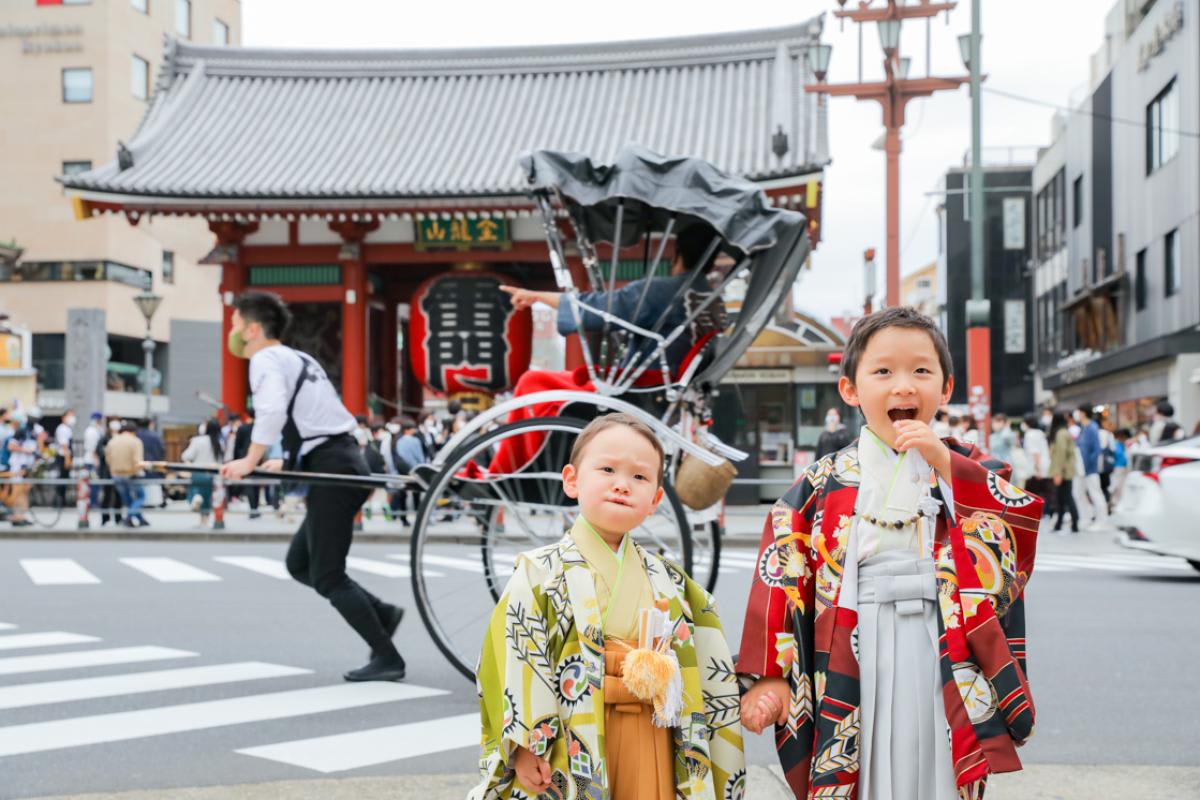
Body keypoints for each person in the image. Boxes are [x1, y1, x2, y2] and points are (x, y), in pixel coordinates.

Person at [736, 307, 1043, 800]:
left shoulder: (971, 469)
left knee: (940, 761)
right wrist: (770, 675)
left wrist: (946, 466)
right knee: (862, 763)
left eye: (921, 371)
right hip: (854, 643)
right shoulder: (821, 482)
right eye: (883, 371)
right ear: (851, 390)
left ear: (946, 389)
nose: (903, 386)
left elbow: (1009, 542)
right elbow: (781, 571)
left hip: (945, 644)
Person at [471, 413, 744, 799]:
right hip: (572, 731)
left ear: (655, 499)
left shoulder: (670, 579)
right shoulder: (538, 573)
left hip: (655, 735)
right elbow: (513, 655)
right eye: (607, 469)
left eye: (639, 477)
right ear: (572, 480)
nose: (622, 485)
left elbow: (708, 655)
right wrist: (525, 743)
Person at [219, 290, 406, 682]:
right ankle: (382, 614)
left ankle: (387, 657)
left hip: (335, 469)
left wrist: (250, 460)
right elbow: (317, 420)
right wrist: (284, 459)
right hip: (343, 460)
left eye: (235, 325)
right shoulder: (298, 357)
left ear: (253, 329)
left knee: (328, 575)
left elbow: (270, 411)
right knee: (299, 564)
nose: (232, 332)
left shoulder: (266, 359)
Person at [483, 223, 725, 475]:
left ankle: (510, 470)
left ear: (678, 253)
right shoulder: (712, 300)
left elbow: (600, 309)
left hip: (639, 391)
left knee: (533, 381)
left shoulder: (665, 291)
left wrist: (537, 297)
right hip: (668, 392)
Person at [106, 422, 148, 528]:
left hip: (116, 474)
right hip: (131, 473)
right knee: (140, 497)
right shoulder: (135, 441)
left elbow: (108, 458)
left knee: (127, 499)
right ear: (133, 431)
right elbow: (137, 460)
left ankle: (140, 519)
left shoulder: (112, 441)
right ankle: (129, 517)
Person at [182, 419, 222, 528]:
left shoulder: (197, 440)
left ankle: (196, 498)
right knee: (208, 497)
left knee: (195, 492)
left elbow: (186, 456)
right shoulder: (220, 442)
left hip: (198, 471)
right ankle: (204, 522)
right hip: (213, 474)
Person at [1074, 405, 1107, 529]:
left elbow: (1096, 449)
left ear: (1083, 413)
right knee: (1078, 493)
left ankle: (1102, 520)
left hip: (1090, 468)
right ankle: (1085, 517)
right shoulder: (1083, 428)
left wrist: (1089, 464)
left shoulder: (1092, 428)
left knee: (1095, 493)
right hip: (1080, 467)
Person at [1049, 411, 1081, 533]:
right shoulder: (1064, 432)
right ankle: (1061, 523)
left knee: (1066, 497)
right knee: (1062, 498)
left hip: (1063, 472)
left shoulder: (1061, 434)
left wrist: (1058, 473)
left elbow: (1060, 455)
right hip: (1066, 470)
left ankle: (1074, 522)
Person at [391, 417, 427, 526]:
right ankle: (418, 516)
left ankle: (403, 518)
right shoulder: (415, 441)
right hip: (415, 470)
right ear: (407, 429)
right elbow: (419, 457)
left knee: (403, 494)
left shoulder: (398, 440)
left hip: (402, 470)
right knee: (416, 494)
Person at [1021, 412, 1054, 516]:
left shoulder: (1030, 434)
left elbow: (1036, 453)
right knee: (1046, 491)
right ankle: (1048, 512)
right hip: (1044, 466)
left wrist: (1038, 469)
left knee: (1031, 493)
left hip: (1036, 468)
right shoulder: (1040, 433)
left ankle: (1034, 513)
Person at [137, 419, 167, 509]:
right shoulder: (155, 436)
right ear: (150, 424)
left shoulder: (136, 435)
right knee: (153, 486)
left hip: (139, 465)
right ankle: (153, 502)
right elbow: (161, 451)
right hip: (153, 464)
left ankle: (141, 502)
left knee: (141, 485)